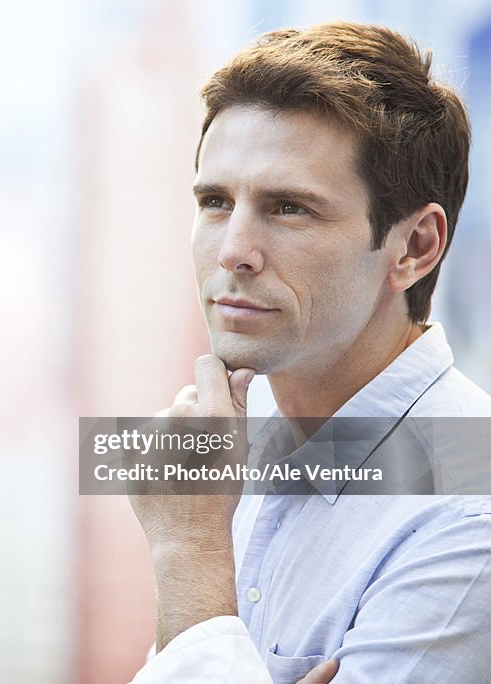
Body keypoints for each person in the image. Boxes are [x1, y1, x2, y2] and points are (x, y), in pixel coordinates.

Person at [126, 22, 491, 683]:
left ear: (414, 248)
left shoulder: (474, 509)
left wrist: (189, 555)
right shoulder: (245, 445)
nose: (234, 250)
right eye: (214, 201)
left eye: (289, 207)